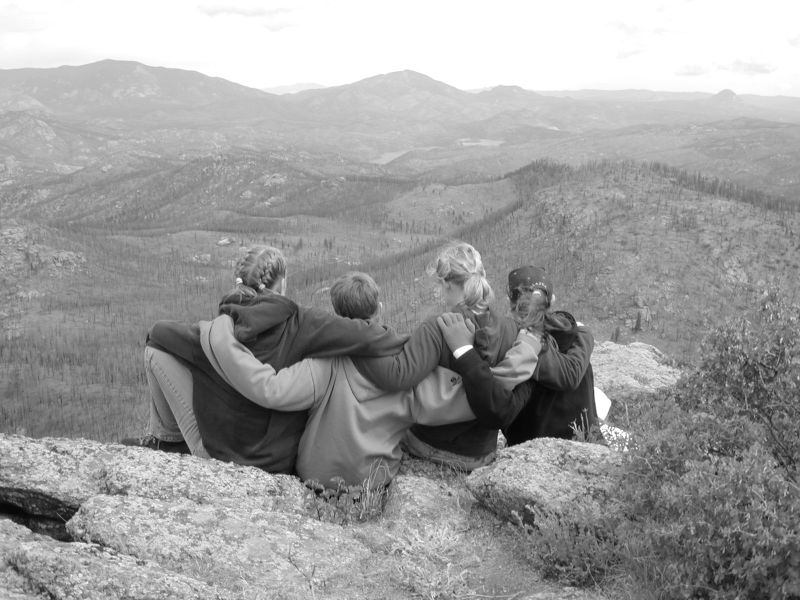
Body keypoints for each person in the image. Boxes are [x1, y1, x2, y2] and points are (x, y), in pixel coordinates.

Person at [199, 271, 541, 489]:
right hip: (374, 479)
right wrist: (516, 358)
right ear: (379, 306)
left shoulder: (324, 363)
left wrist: (221, 338)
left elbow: (271, 390)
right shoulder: (411, 365)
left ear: (335, 313)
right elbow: (460, 401)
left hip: (316, 475)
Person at [123, 246, 409, 473]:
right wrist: (422, 342)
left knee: (155, 352)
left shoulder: (220, 329)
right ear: (282, 284)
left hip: (217, 449)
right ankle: (167, 442)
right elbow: (364, 333)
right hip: (273, 459)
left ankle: (166, 441)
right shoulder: (303, 323)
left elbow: (158, 335)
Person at [352, 241, 519, 471]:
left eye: (441, 286)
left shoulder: (437, 328)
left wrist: (358, 344)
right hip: (483, 452)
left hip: (434, 446)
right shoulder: (510, 329)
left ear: (447, 284)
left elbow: (398, 377)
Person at [463, 266, 598, 444]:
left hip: (532, 443)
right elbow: (571, 374)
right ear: (552, 300)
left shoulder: (517, 340)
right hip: (583, 439)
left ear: (510, 300)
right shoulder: (572, 332)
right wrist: (584, 332)